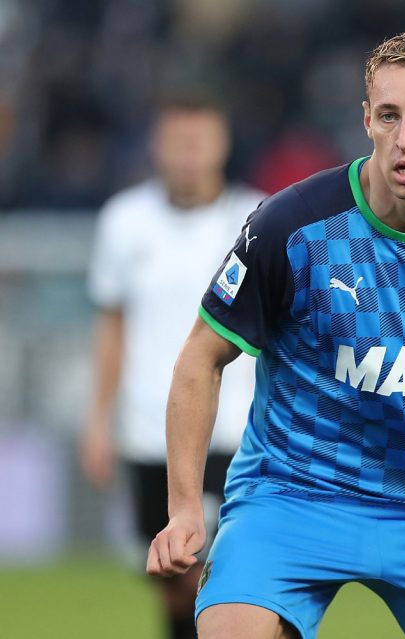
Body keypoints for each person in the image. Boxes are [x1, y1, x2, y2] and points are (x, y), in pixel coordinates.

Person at [146, 30, 405, 639]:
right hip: (293, 497)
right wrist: (186, 508)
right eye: (390, 115)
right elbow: (200, 358)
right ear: (367, 118)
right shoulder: (292, 226)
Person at [83, 95, 263, 639]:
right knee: (169, 575)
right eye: (177, 143)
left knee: (219, 577)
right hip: (148, 431)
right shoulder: (124, 220)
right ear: (157, 146)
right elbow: (113, 326)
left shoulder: (257, 218)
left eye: (198, 143)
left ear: (221, 146)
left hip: (234, 429)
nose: (188, 156)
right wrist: (98, 420)